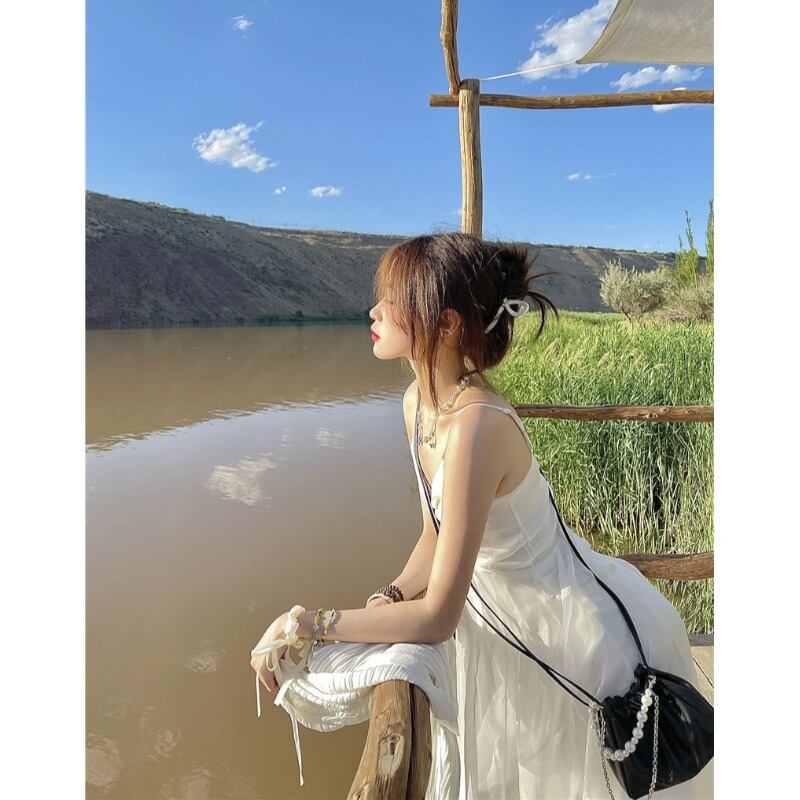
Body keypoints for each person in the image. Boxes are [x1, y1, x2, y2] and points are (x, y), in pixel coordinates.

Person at [251, 232, 713, 798]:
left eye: (393, 299)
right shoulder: (418, 402)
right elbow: (433, 534)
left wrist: (308, 624)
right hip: (496, 618)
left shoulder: (477, 426)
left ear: (445, 325)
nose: (374, 311)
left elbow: (438, 617)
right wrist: (389, 595)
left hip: (565, 634)